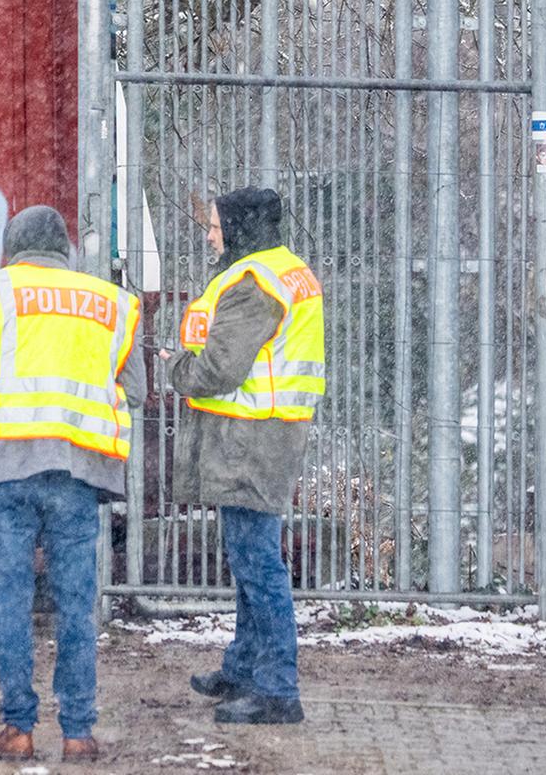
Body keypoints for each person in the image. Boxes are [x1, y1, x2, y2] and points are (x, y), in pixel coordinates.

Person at [0, 206, 145, 764]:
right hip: (76, 475)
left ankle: (19, 728)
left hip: (3, 474)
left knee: (12, 602)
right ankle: (77, 732)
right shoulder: (111, 304)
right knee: (76, 603)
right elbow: (137, 390)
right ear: (67, 248)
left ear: (14, 248)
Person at [163, 187, 325, 725]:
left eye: (214, 226)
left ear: (237, 228)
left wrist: (178, 370)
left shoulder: (254, 282)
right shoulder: (284, 269)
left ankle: (278, 689)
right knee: (250, 557)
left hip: (251, 437)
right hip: (266, 433)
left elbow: (221, 369)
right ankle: (244, 669)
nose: (210, 235)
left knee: (258, 563)